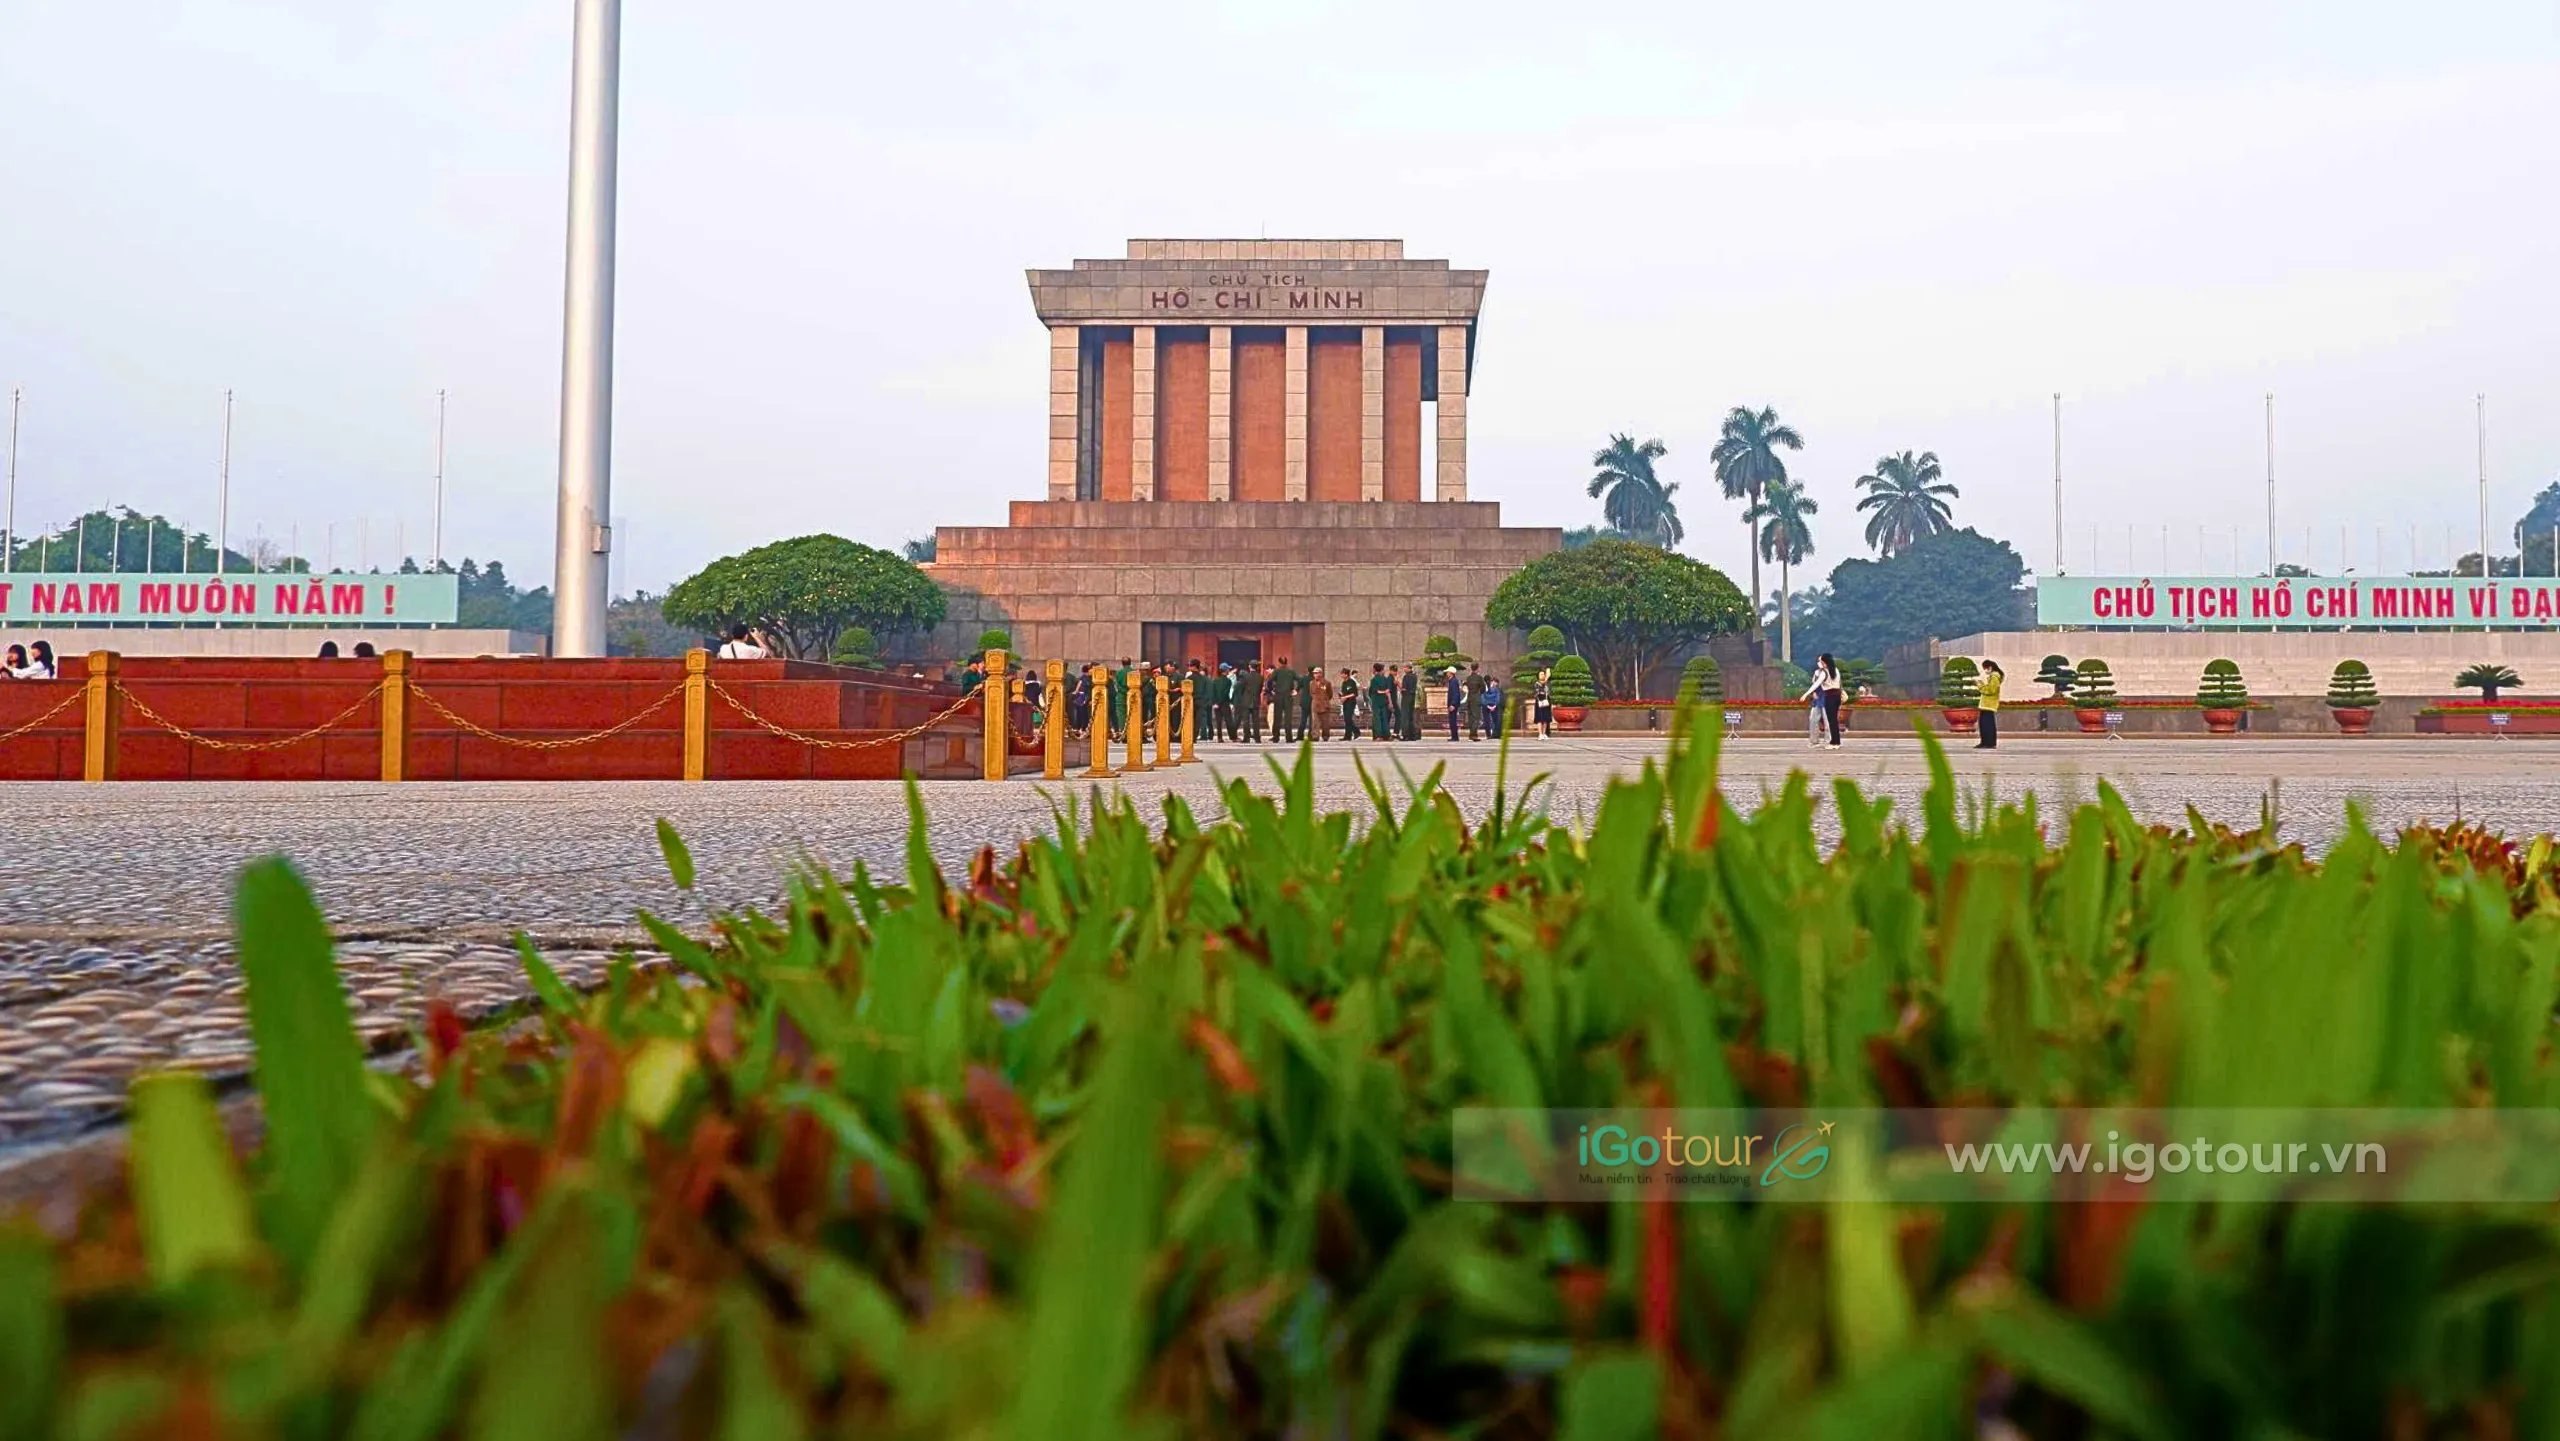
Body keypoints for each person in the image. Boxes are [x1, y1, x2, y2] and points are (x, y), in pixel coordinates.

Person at [1810, 652, 1846, 748]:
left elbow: (1816, 684)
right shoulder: (1832, 670)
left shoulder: (1825, 672)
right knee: (1832, 720)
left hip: (1829, 697)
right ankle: (1835, 741)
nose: (1820, 663)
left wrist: (1805, 694)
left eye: (1821, 661)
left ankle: (1833, 742)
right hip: (1833, 696)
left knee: (1830, 721)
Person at [1269, 657, 1300, 744]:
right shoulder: (1291, 671)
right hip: (1288, 696)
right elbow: (1300, 680)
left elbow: (1269, 681)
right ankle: (1289, 738)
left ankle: (1276, 737)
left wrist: (1272, 690)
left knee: (1277, 718)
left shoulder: (1277, 671)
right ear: (1287, 662)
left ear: (1279, 663)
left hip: (1278, 696)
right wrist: (1296, 690)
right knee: (1288, 718)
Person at [1976, 659, 2003, 750]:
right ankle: (1986, 742)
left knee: (1986, 725)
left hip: (1988, 704)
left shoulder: (1994, 677)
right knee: (1985, 724)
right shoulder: (1994, 676)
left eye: (1985, 668)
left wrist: (1980, 685)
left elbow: (1991, 690)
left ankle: (1988, 743)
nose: (1985, 671)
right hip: (1987, 704)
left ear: (1990, 667)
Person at [1367, 663, 1394, 740]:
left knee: (1377, 719)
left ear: (1375, 669)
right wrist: (1390, 702)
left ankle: (1378, 736)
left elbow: (1375, 691)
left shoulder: (1374, 679)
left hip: (1376, 701)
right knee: (1384, 718)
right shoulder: (1385, 679)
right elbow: (1388, 691)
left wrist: (1381, 692)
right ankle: (1387, 735)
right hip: (1384, 701)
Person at [1462, 664, 1487, 741]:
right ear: (1477, 669)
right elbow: (1483, 688)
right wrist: (1479, 693)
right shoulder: (1479, 678)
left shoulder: (1468, 678)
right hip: (1476, 699)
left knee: (1471, 717)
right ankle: (1473, 734)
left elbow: (1465, 685)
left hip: (1469, 698)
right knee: (1477, 717)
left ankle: (1471, 734)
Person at [1310, 666, 1334, 742]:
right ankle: (1315, 736)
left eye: (1317, 673)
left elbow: (1330, 694)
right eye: (1314, 673)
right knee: (1315, 722)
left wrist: (1325, 699)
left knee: (1325, 723)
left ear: (1321, 673)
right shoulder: (1311, 683)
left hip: (1324, 704)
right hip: (1315, 704)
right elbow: (1311, 693)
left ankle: (1325, 736)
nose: (1315, 675)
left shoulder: (1327, 683)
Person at [1400, 663, 1422, 741]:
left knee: (1405, 717)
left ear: (1409, 668)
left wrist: (1400, 687)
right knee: (1411, 717)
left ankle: (1405, 735)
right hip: (1412, 697)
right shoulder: (1414, 676)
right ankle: (1412, 735)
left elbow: (1404, 689)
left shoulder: (1406, 677)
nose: (1404, 669)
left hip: (1406, 697)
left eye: (1405, 668)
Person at [1339, 668, 1361, 742]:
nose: (1341, 675)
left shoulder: (1352, 682)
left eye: (1342, 673)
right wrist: (1341, 696)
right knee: (1346, 719)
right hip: (1345, 702)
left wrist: (1346, 697)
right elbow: (1344, 692)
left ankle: (1356, 731)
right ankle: (1347, 735)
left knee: (1348, 718)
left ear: (1346, 674)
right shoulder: (1343, 683)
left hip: (1351, 702)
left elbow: (1355, 694)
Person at [1443, 666, 1465, 740]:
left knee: (1453, 721)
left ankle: (1455, 737)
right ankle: (1454, 736)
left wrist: (1453, 704)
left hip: (1453, 704)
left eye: (1448, 672)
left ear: (1451, 673)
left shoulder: (1453, 681)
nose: (1447, 674)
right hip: (1453, 704)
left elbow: (1455, 694)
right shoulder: (1452, 681)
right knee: (1452, 720)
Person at [1532, 668, 1554, 738]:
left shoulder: (1547, 684)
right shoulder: (1537, 683)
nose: (1542, 675)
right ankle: (1540, 734)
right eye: (1541, 674)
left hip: (1546, 702)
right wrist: (1547, 676)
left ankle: (1544, 734)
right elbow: (1541, 687)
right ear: (1538, 676)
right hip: (1540, 702)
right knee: (1539, 718)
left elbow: (1549, 692)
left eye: (1543, 674)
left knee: (1545, 719)